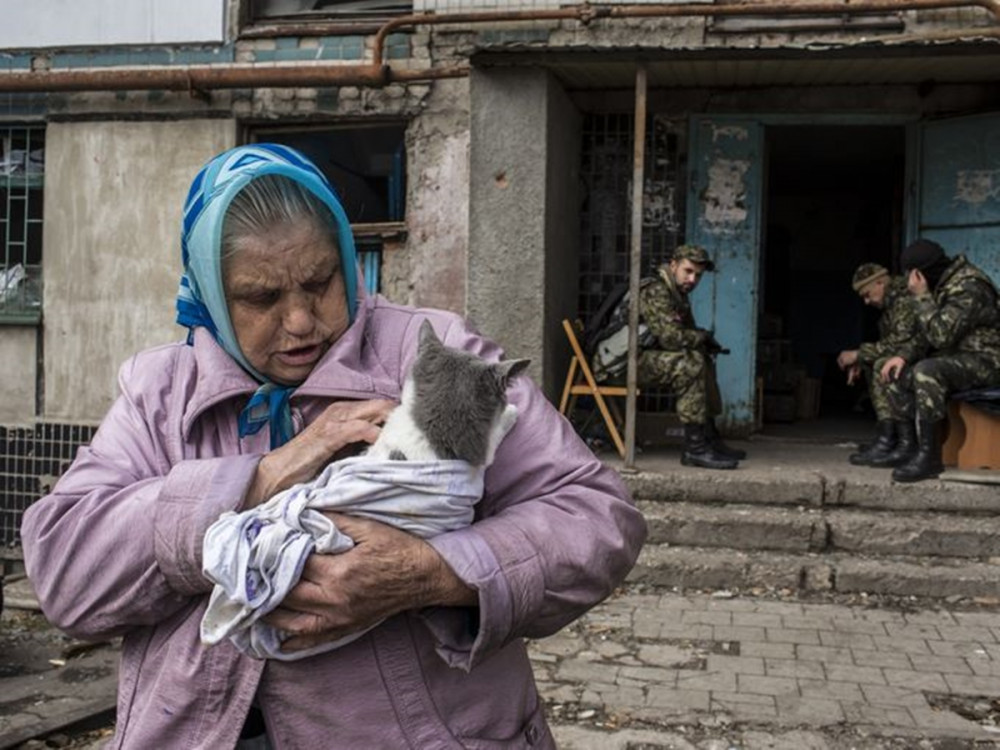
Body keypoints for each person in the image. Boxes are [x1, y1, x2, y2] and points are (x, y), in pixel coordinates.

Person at [20, 144, 647, 749]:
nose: (301, 321)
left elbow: (594, 517)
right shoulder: (161, 393)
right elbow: (68, 579)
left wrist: (431, 573)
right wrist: (263, 475)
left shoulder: (428, 360)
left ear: (348, 260)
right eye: (261, 298)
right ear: (211, 295)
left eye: (321, 282)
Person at [879, 238, 1000, 482]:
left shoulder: (969, 287)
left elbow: (941, 335)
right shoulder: (943, 283)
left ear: (919, 274)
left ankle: (930, 458)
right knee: (894, 371)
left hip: (988, 362)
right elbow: (927, 336)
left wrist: (922, 297)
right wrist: (902, 356)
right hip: (959, 360)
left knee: (927, 370)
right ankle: (908, 447)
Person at [637, 244, 745, 470]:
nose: (692, 279)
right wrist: (701, 337)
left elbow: (687, 333)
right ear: (673, 265)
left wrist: (703, 340)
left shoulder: (678, 292)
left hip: (645, 357)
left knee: (702, 357)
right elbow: (670, 338)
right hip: (627, 363)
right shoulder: (656, 289)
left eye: (698, 275)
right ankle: (694, 449)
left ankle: (708, 438)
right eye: (688, 271)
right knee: (690, 364)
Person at [836, 262, 925, 466]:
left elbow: (899, 344)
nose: (867, 301)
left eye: (867, 294)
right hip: (908, 355)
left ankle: (903, 443)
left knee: (883, 365)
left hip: (922, 356)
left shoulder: (903, 299)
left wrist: (859, 354)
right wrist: (863, 358)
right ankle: (887, 437)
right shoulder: (889, 303)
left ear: (879, 283)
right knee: (874, 362)